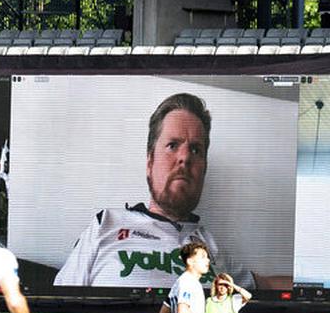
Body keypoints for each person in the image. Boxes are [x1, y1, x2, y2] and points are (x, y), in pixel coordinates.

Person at [57, 93, 254, 289]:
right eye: (172, 145)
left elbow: (269, 285)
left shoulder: (213, 248)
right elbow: (59, 308)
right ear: (150, 162)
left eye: (195, 150)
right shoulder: (106, 225)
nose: (184, 157)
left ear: (204, 170)